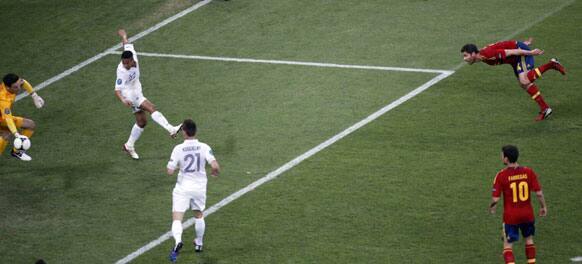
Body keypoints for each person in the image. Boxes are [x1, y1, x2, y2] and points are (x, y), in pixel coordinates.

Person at [461, 38, 566, 121]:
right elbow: (502, 45)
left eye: (465, 55)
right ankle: (545, 109)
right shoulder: (482, 56)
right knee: (524, 84)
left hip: (519, 55)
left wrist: (531, 52)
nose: (464, 59)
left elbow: (510, 52)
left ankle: (552, 64)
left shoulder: (488, 55)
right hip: (515, 59)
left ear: (473, 54)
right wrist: (522, 43)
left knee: (524, 80)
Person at [115, 29, 181, 160]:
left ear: (131, 59)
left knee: (142, 122)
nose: (125, 65)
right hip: (129, 94)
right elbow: (117, 90)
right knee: (152, 108)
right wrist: (123, 100)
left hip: (137, 89)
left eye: (126, 62)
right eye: (123, 63)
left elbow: (126, 44)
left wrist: (123, 35)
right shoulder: (121, 71)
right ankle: (170, 129)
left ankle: (129, 146)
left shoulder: (132, 54)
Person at [166, 119, 220, 262]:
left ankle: (178, 241)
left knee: (177, 218)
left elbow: (170, 171)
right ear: (195, 131)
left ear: (184, 132)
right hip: (199, 187)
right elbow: (215, 165)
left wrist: (179, 166)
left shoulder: (178, 149)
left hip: (183, 188)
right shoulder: (204, 147)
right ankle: (199, 243)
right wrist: (215, 171)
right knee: (198, 215)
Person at [490, 145, 547, 264]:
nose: (501, 157)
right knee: (529, 240)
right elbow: (539, 193)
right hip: (528, 214)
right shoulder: (528, 172)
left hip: (511, 217)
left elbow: (495, 199)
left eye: (502, 155)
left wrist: (492, 208)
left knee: (507, 246)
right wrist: (543, 207)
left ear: (506, 159)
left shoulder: (501, 175)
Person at [0, 73, 45, 161]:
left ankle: (17, 152)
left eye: (18, 85)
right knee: (7, 133)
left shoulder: (12, 84)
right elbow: (8, 119)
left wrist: (34, 95)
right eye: (16, 87)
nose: (19, 88)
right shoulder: (4, 99)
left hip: (2, 117)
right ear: (8, 88)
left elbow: (23, 82)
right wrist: (16, 134)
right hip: (3, 118)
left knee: (30, 125)